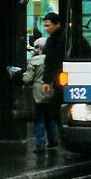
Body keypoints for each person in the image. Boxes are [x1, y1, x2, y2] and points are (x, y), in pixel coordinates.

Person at [22, 37, 56, 153]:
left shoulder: (34, 61)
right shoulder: (53, 59)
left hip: (39, 93)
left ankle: (40, 144)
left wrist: (20, 75)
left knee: (39, 118)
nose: (34, 49)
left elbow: (28, 79)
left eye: (36, 47)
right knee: (50, 117)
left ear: (40, 47)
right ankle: (53, 140)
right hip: (51, 91)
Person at [40, 12, 65, 149]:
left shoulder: (66, 38)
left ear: (57, 24)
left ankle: (59, 137)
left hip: (67, 81)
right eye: (45, 26)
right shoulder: (50, 41)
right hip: (57, 82)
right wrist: (46, 81)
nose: (46, 28)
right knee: (53, 111)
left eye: (48, 26)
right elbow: (49, 62)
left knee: (56, 110)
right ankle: (56, 138)